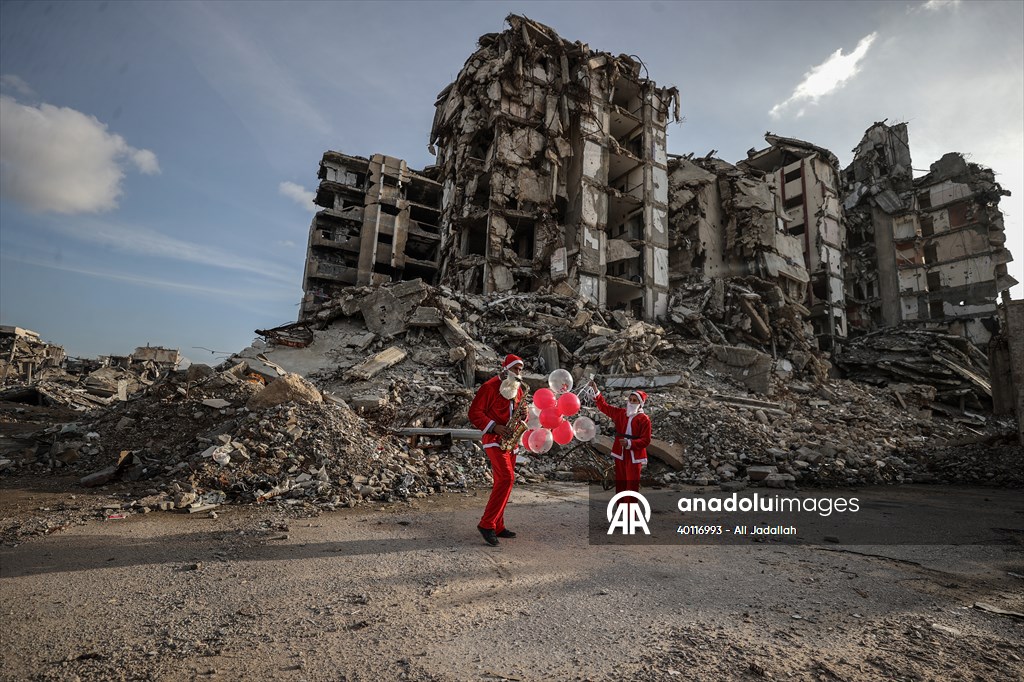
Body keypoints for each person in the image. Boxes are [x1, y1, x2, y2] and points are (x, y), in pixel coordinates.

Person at [468, 354, 527, 546]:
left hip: (510, 441)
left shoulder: (517, 390)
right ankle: (486, 524)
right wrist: (494, 426)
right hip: (494, 439)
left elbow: (518, 411)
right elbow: (474, 413)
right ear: (507, 368)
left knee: (506, 482)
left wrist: (523, 413)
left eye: (521, 369)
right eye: (516, 369)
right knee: (506, 478)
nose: (519, 373)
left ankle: (498, 525)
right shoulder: (489, 387)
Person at [590, 382, 652, 496]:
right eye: (630, 400)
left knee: (631, 485)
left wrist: (630, 443)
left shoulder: (644, 419)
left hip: (634, 455)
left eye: (635, 400)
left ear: (640, 404)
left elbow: (646, 440)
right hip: (621, 452)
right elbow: (604, 407)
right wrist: (595, 391)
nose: (632, 402)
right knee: (621, 483)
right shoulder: (621, 413)